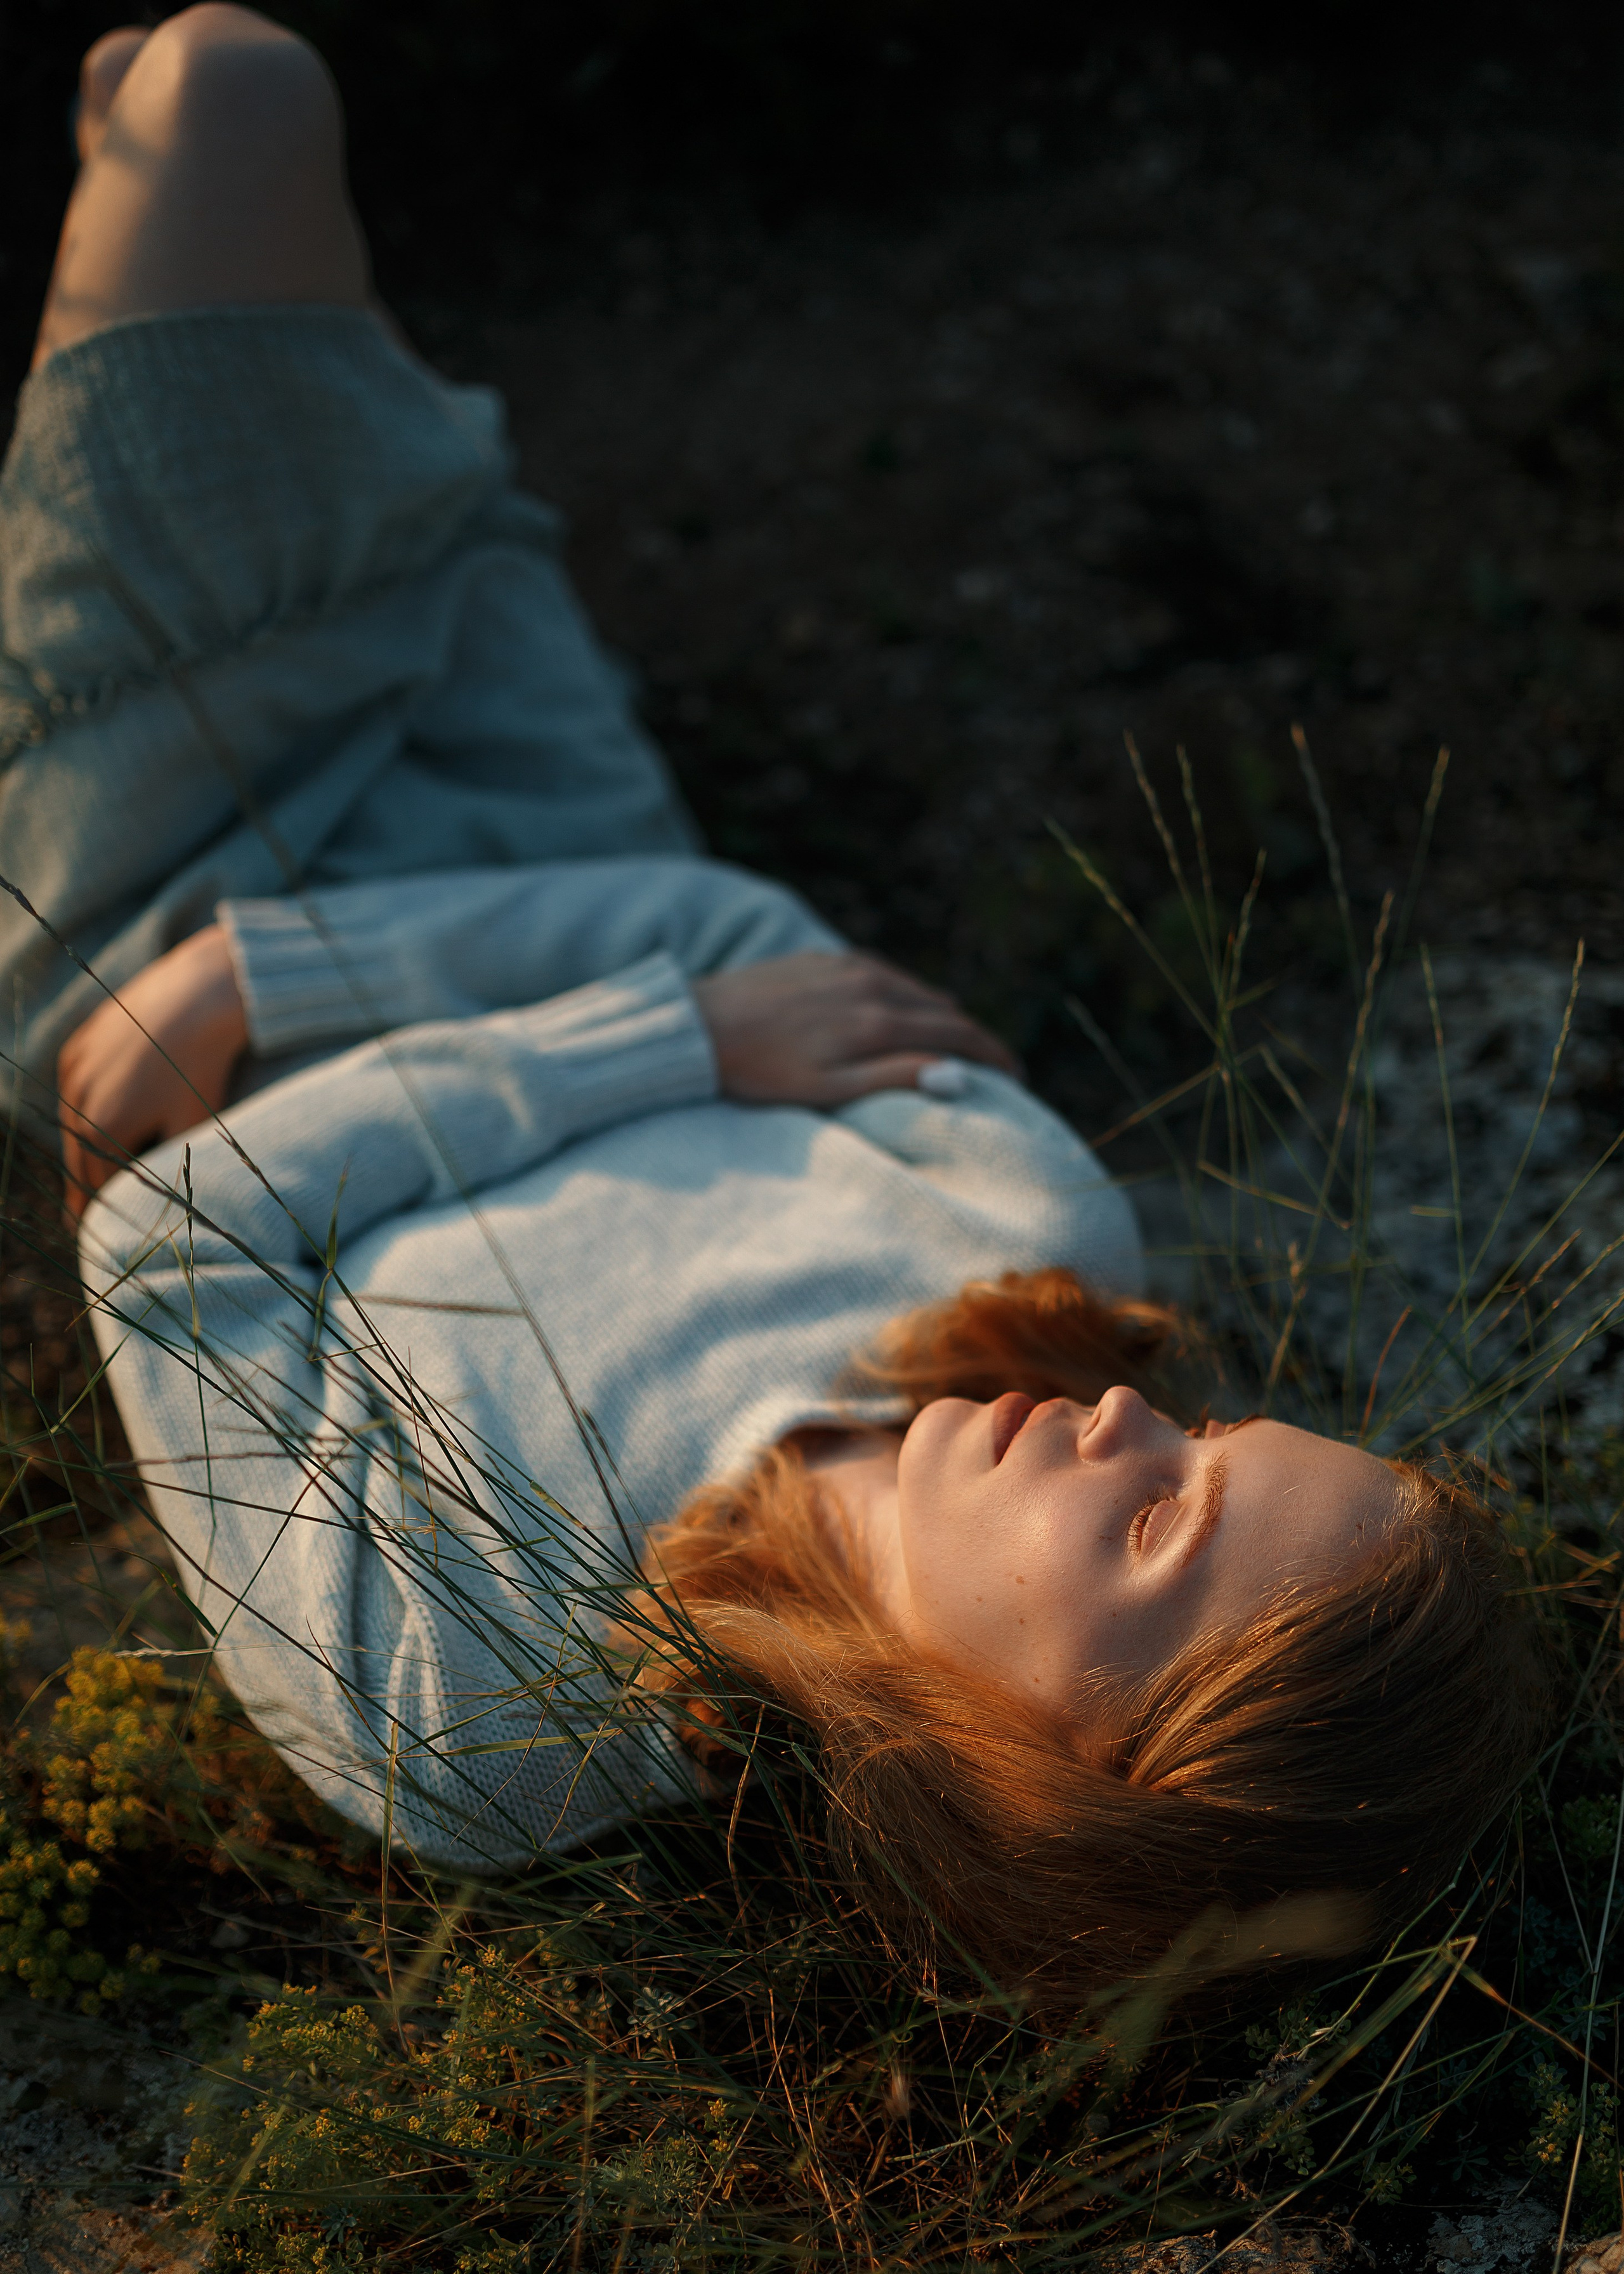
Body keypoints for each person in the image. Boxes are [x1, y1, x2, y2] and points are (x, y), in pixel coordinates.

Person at [5, 8, 1542, 2015]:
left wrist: (629, 1035)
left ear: (1046, 1778)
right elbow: (721, 923)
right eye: (1217, 1425)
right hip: (523, 805)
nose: (1125, 1410)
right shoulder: (1029, 1248)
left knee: (219, 91)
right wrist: (477, 1004)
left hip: (162, 870)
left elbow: (160, 1242)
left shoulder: (473, 1719)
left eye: (1164, 1517)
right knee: (235, 193)